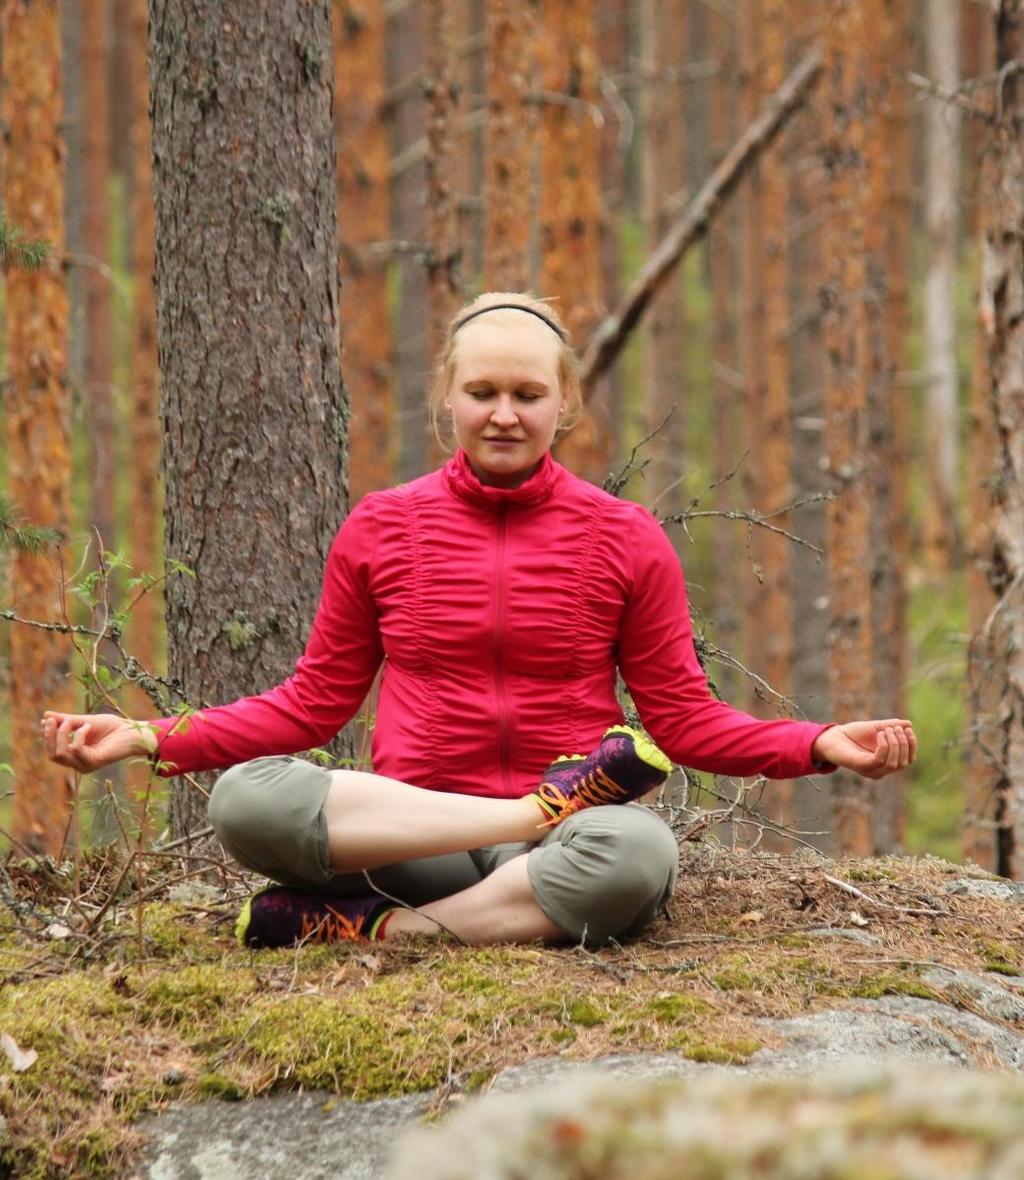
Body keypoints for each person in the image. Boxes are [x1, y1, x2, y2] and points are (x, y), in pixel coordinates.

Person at [41, 291, 917, 950]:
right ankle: (516, 831)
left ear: (563, 405)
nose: (505, 412)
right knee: (244, 800)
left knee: (635, 854)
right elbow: (312, 707)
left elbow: (684, 720)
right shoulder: (383, 527)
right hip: (412, 833)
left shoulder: (625, 538)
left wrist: (818, 742)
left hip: (565, 844)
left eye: (529, 394)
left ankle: (390, 935)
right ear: (449, 399)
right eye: (484, 391)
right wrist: (149, 737)